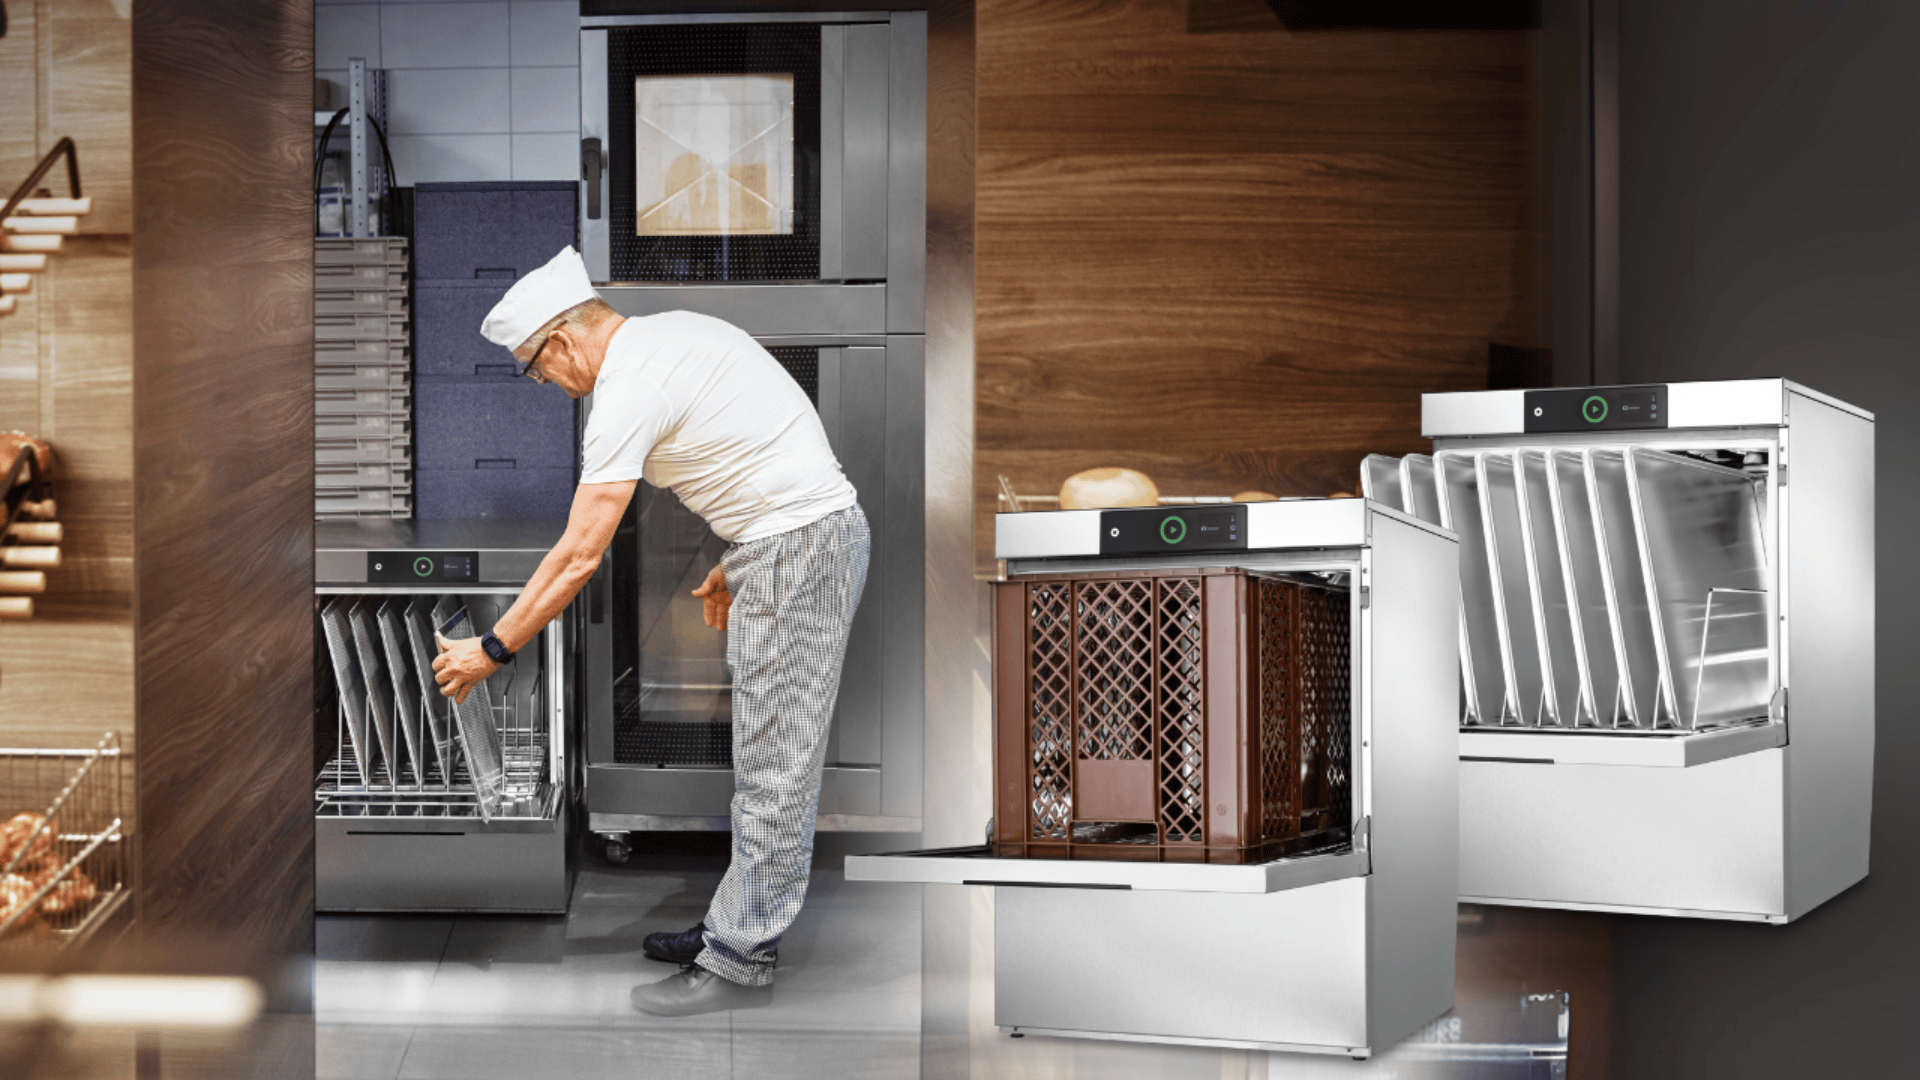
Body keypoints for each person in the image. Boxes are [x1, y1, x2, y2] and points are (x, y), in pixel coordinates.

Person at [430, 246, 868, 1017]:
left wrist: (493, 648)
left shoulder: (628, 387)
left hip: (799, 551)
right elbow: (764, 443)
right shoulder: (671, 336)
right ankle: (735, 926)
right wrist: (742, 561)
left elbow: (577, 556)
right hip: (793, 545)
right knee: (765, 756)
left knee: (775, 769)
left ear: (561, 342)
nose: (547, 387)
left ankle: (737, 961)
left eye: (537, 371)